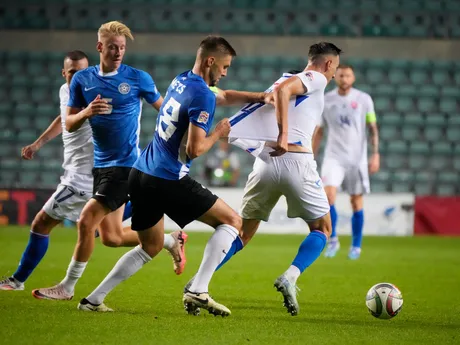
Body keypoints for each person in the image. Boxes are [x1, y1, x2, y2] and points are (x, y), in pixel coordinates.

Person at [76, 35, 269, 315]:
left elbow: (224, 96)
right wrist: (218, 133)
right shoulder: (203, 94)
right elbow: (194, 149)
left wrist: (261, 97)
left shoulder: (181, 80)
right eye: (225, 66)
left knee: (150, 246)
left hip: (140, 173)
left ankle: (92, 300)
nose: (226, 72)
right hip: (167, 178)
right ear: (210, 61)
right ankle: (197, 290)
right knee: (233, 222)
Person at [31, 21, 186, 301]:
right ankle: (168, 240)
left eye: (122, 48)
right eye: (113, 47)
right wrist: (87, 112)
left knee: (85, 221)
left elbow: (165, 111)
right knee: (112, 237)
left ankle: (67, 287)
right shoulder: (81, 81)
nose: (118, 53)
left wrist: (177, 143)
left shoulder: (138, 78)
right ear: (100, 47)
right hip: (100, 167)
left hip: (126, 165)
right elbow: (70, 124)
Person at [185, 42, 342, 317]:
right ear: (328, 64)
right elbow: (284, 91)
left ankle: (199, 282)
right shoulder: (315, 78)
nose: (333, 75)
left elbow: (268, 94)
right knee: (323, 228)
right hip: (296, 159)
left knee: (243, 232)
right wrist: (283, 135)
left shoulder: (281, 78)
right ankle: (291, 276)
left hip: (265, 163)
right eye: (335, 69)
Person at [312, 64, 380, 260]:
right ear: (335, 78)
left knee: (356, 201)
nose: (344, 79)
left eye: (348, 75)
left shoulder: (364, 99)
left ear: (353, 78)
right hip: (334, 157)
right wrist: (311, 156)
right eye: (341, 75)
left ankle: (356, 246)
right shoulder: (326, 100)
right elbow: (319, 131)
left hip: (357, 158)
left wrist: (375, 154)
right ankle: (333, 239)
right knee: (328, 197)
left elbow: (372, 127)